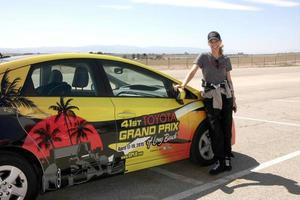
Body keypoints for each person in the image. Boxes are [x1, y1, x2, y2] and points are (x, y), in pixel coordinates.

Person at [176, 31, 237, 175]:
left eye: (216, 41)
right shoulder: (203, 57)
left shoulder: (226, 59)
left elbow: (229, 79)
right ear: (208, 43)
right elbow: (192, 71)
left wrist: (234, 99)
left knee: (226, 128)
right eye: (211, 41)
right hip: (211, 97)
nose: (214, 44)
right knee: (215, 129)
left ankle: (227, 158)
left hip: (226, 96)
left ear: (220, 42)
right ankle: (219, 160)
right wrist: (183, 84)